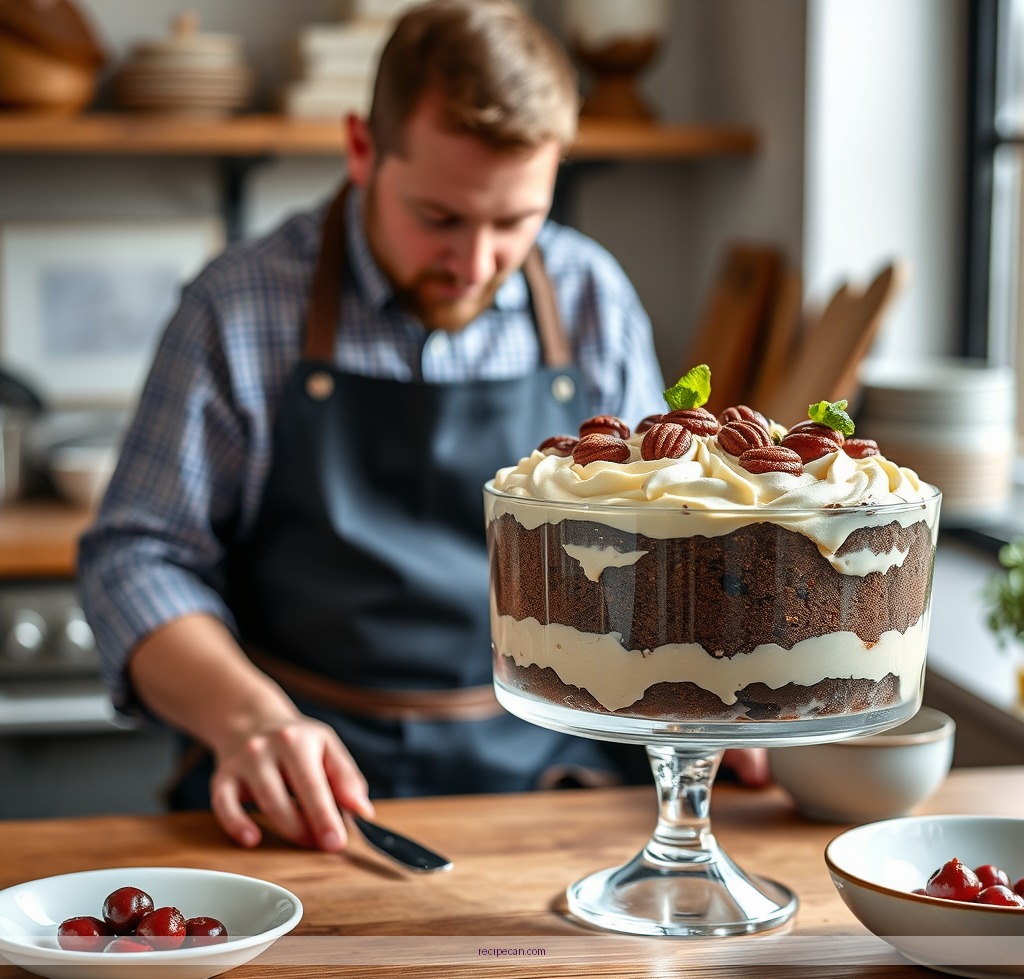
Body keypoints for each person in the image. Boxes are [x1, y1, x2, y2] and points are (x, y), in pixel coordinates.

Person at [79, 0, 767, 854]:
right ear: (362, 149)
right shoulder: (239, 306)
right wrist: (248, 721)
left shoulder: (592, 299)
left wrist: (709, 690)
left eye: (516, 222)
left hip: (562, 783)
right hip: (308, 790)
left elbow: (656, 545)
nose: (474, 265)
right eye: (440, 217)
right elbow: (136, 557)